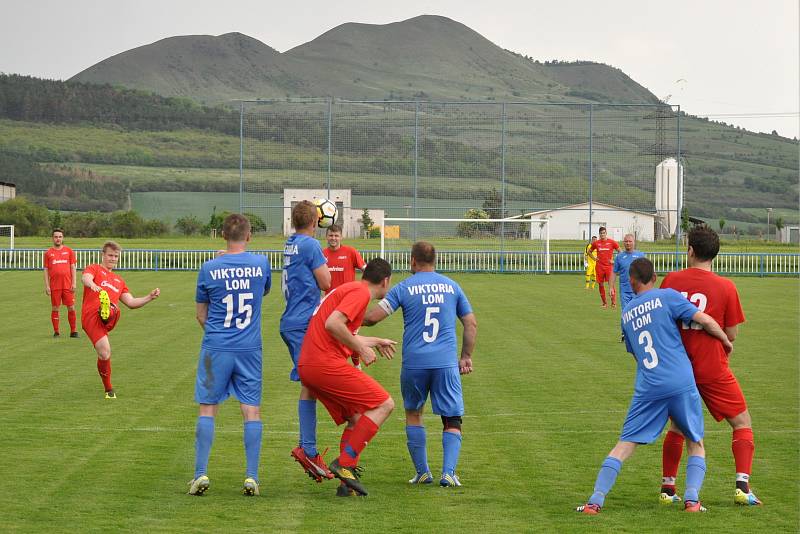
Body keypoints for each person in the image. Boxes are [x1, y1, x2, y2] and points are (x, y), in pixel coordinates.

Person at [576, 257, 732, 515]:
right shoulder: (668, 296)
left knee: (625, 444)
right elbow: (704, 320)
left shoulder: (626, 314)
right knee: (695, 441)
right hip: (681, 380)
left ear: (631, 281)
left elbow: (636, 352)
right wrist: (725, 340)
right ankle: (692, 501)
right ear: (655, 277)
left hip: (649, 385)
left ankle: (595, 501)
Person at [658, 225, 761, 506]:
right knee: (741, 422)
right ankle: (742, 485)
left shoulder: (672, 280)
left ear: (690, 250)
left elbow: (663, 321)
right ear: (714, 254)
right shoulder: (726, 287)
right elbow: (731, 334)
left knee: (678, 427)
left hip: (678, 368)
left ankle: (668, 489)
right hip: (712, 367)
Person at [363, 241, 477, 488]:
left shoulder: (404, 288)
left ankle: (423, 472)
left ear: (412, 261)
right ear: (435, 261)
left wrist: (344, 317)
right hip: (445, 363)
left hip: (414, 363)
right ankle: (448, 473)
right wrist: (466, 356)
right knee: (452, 418)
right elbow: (471, 323)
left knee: (414, 414)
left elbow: (372, 319)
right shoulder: (452, 286)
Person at [297, 258, 397, 497]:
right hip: (324, 363)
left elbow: (342, 332)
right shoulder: (360, 293)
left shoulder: (349, 288)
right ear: (386, 281)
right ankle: (344, 463)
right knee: (385, 404)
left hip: (310, 363)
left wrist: (375, 341)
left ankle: (345, 484)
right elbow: (333, 324)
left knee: (357, 417)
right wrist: (362, 349)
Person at [187, 214, 271, 497]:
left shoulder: (209, 268)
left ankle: (200, 474)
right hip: (249, 349)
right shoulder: (261, 264)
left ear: (222, 235)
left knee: (208, 407)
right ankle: (251, 477)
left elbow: (201, 314)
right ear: (249, 236)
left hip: (216, 347)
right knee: (251, 410)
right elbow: (264, 291)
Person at [280, 200, 333, 482]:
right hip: (302, 323)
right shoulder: (311, 245)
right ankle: (308, 450)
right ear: (316, 222)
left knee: (310, 384)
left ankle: (307, 449)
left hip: (294, 321)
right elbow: (325, 283)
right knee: (318, 381)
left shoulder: (290, 242)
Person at [81, 241, 160, 399]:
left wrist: (149, 297)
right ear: (103, 255)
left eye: (116, 256)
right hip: (91, 315)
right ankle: (109, 390)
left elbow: (131, 302)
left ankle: (108, 310)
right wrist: (92, 285)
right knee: (105, 352)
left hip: (107, 320)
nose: (113, 258)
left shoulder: (118, 280)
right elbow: (85, 277)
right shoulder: (95, 268)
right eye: (110, 255)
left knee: (106, 349)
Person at [610, 234, 645, 342]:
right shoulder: (620, 257)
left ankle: (639, 334)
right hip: (625, 291)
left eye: (630, 241)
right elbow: (614, 272)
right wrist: (611, 287)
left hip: (639, 290)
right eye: (626, 241)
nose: (628, 243)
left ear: (634, 242)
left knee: (638, 313)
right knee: (625, 312)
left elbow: (646, 271)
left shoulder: (640, 255)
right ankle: (624, 334)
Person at [44, 228, 78, 338]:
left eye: (60, 237)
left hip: (68, 285)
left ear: (63, 238)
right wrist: (47, 286)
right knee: (55, 308)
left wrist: (74, 283)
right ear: (52, 238)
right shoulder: (48, 253)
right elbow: (46, 270)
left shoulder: (69, 251)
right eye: (56, 237)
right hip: (55, 286)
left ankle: (73, 331)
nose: (58, 239)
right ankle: (56, 332)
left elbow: (73, 267)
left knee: (71, 307)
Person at [322, 224, 366, 294]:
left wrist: (364, 287)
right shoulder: (322, 254)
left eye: (336, 236)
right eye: (331, 235)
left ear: (341, 237)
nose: (333, 238)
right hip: (330, 298)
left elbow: (366, 270)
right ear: (326, 237)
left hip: (348, 296)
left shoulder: (350, 252)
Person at [589, 227, 620, 308]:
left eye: (604, 233)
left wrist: (615, 261)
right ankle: (604, 303)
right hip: (599, 267)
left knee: (611, 284)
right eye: (601, 233)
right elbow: (589, 252)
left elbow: (621, 252)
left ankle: (613, 303)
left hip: (609, 267)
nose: (602, 234)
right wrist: (594, 258)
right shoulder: (596, 243)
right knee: (601, 284)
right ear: (599, 234)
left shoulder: (612, 242)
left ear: (606, 233)